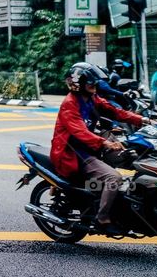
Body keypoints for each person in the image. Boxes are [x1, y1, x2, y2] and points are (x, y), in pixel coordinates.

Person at [50, 62, 146, 235]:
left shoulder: (91, 99)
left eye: (95, 83)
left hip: (91, 148)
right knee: (114, 178)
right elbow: (79, 132)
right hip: (75, 153)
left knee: (132, 157)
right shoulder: (70, 104)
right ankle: (102, 219)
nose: (94, 86)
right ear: (78, 84)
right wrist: (105, 142)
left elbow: (115, 112)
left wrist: (142, 120)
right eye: (90, 83)